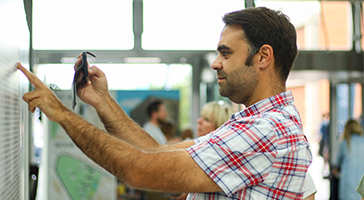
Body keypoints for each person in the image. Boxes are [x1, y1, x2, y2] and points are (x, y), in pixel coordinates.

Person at [18, 7, 312, 199]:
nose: (215, 63)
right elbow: (154, 151)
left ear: (263, 57)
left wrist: (64, 116)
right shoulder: (250, 123)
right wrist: (102, 101)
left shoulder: (265, 130)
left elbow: (139, 169)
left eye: (226, 53)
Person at [333, 119, 364, 200]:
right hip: (361, 183)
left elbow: (337, 162)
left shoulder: (345, 142)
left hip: (347, 183)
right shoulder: (363, 141)